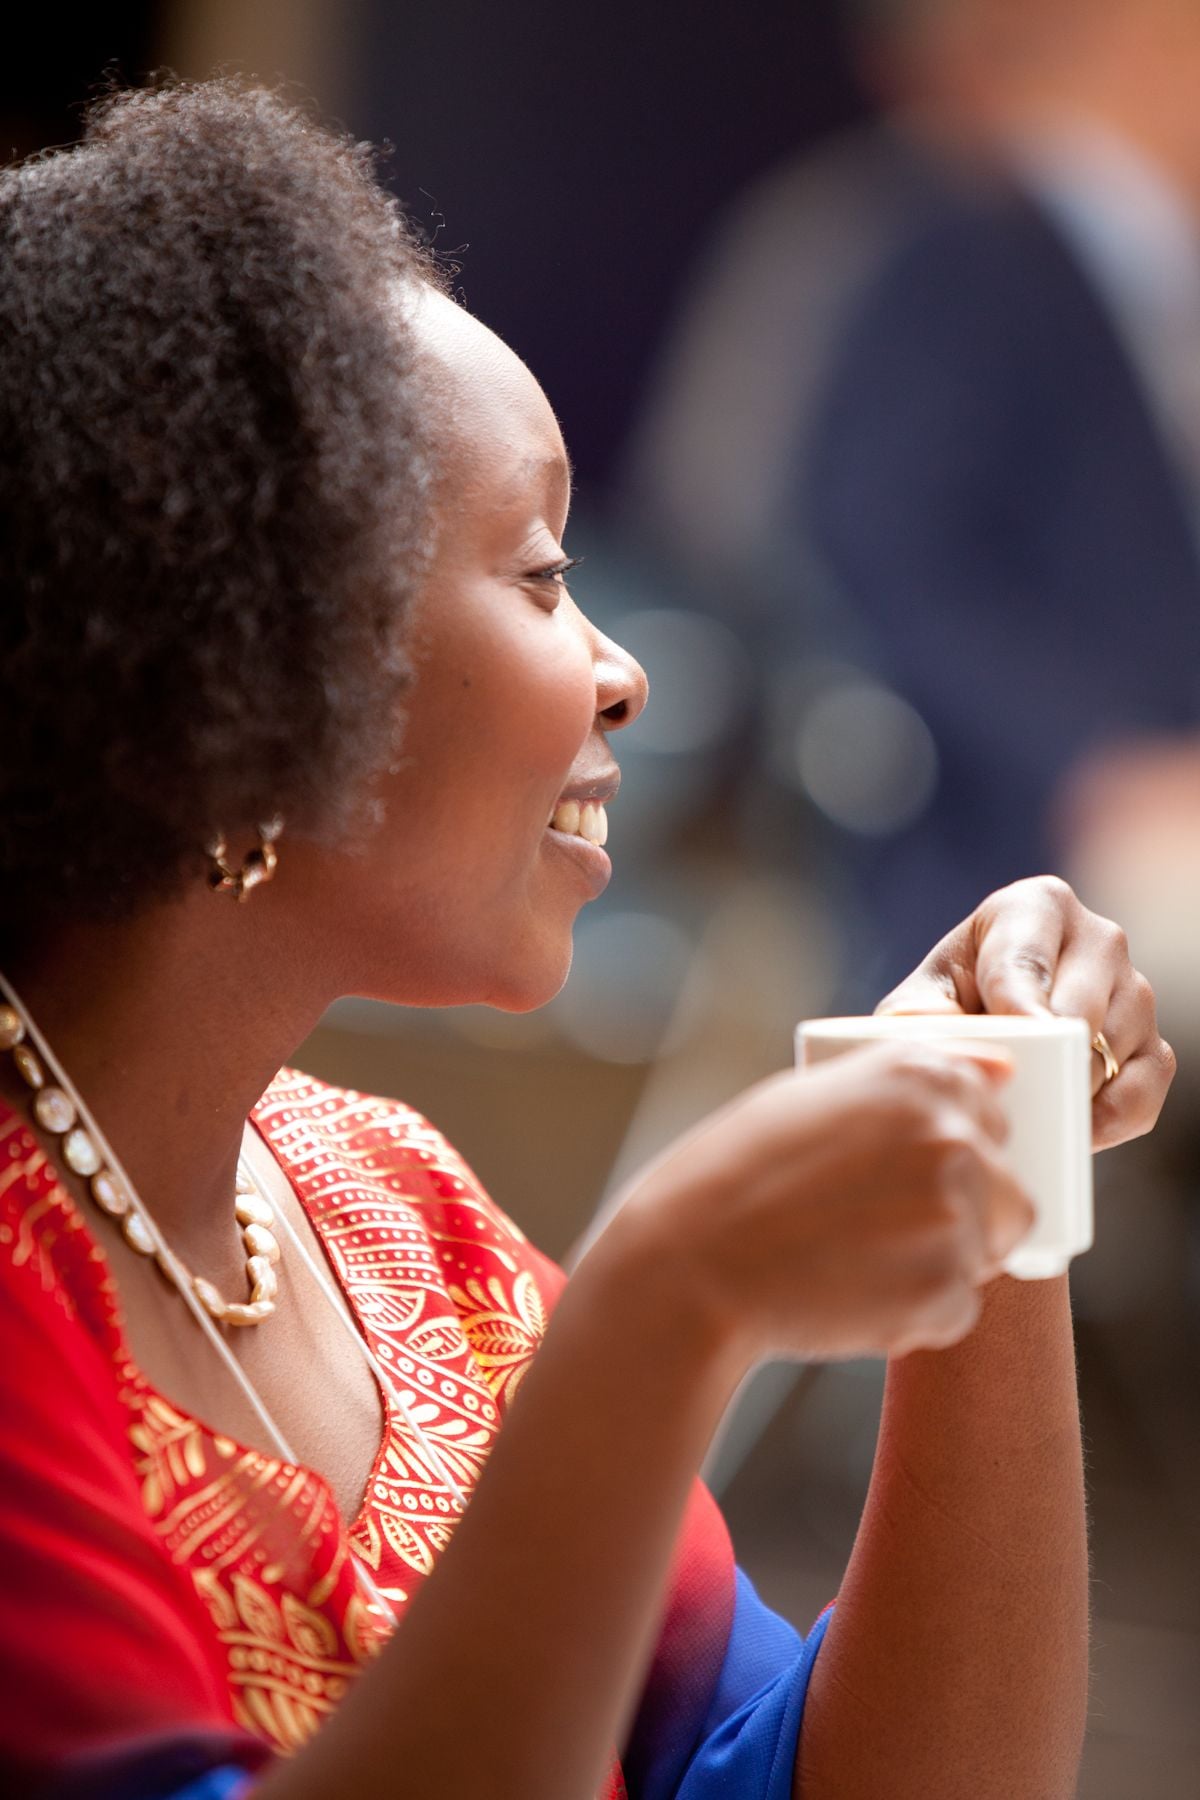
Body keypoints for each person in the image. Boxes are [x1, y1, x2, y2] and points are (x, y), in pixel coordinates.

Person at [0, 79, 1175, 1800]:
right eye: (545, 575)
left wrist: (990, 1189)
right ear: (242, 675)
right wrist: (658, 1308)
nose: (627, 672)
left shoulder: (402, 1221)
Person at [625, 0, 1200, 994]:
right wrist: (1093, 762)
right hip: (1007, 826)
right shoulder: (946, 245)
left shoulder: (1128, 264)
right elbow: (879, 554)